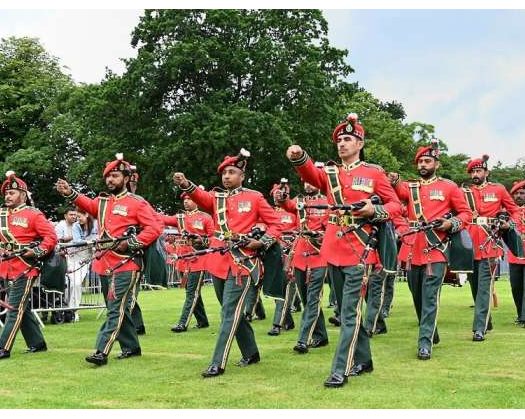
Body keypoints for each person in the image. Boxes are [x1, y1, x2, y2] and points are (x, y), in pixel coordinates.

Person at [286, 113, 402, 388]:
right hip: (332, 247)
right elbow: (310, 174)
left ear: (360, 143)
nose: (342, 143)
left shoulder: (373, 172)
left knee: (349, 313)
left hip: (360, 248)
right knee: (346, 309)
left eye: (348, 139)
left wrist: (376, 209)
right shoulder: (331, 173)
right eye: (339, 140)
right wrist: (299, 157)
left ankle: (342, 368)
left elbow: (396, 205)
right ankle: (365, 360)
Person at [173, 149, 283, 378]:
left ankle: (217, 362)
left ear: (242, 175)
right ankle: (251, 353)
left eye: (232, 172)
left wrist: (261, 242)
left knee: (228, 313)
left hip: (242, 263)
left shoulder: (255, 197)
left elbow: (275, 225)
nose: (226, 177)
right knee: (231, 312)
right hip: (218, 263)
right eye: (224, 173)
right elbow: (201, 197)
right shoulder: (217, 198)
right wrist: (186, 184)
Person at [55, 153, 162, 366]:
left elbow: (155, 227)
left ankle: (101, 350)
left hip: (127, 262)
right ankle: (131, 347)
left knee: (115, 308)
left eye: (114, 176)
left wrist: (131, 243)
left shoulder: (137, 202)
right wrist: (71, 194)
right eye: (108, 177)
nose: (110, 180)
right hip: (104, 263)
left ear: (125, 178)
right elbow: (88, 204)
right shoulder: (103, 202)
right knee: (117, 307)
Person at [388, 140, 472, 360]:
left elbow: (465, 215)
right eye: (420, 162)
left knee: (430, 296)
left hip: (437, 248)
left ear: (437, 163)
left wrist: (449, 224)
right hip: (413, 249)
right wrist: (394, 179)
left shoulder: (449, 187)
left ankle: (424, 342)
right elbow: (397, 191)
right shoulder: (412, 187)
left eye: (427, 161)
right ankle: (431, 332)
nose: (423, 165)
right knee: (417, 296)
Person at [461, 155, 520, 341]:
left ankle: (479, 328)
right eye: (472, 171)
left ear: (486, 172)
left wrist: (509, 225)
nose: (475, 174)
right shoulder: (464, 192)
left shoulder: (498, 189)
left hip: (490, 244)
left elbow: (515, 211)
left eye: (479, 171)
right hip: (469, 245)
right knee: (474, 286)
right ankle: (487, 320)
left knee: (485, 287)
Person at [0, 171, 57, 359]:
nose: (8, 196)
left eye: (12, 193)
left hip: (25, 267)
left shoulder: (33, 214)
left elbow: (50, 237)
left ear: (23, 195)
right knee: (20, 307)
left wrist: (36, 251)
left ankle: (3, 347)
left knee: (14, 307)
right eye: (6, 193)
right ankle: (37, 343)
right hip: (6, 268)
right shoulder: (1, 215)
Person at [276, 177, 330, 352]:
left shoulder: (328, 201)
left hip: (319, 254)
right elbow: (287, 205)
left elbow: (332, 227)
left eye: (311, 181)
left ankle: (303, 340)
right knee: (307, 300)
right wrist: (282, 196)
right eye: (306, 182)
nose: (308, 184)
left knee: (314, 298)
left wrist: (319, 235)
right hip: (300, 256)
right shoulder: (299, 202)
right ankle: (321, 336)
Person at [159, 192, 214, 332]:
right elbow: (163, 218)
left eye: (189, 199)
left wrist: (202, 241)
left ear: (197, 201)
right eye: (184, 199)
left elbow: (213, 238)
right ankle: (203, 321)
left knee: (191, 293)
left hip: (199, 260)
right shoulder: (180, 218)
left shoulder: (205, 217)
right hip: (183, 261)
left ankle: (183, 323)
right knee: (193, 292)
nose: (186, 202)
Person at [267, 182, 298, 336]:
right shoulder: (270, 213)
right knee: (276, 287)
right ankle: (288, 320)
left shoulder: (294, 212)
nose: (276, 197)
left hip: (290, 252)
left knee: (285, 286)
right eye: (274, 195)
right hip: (274, 253)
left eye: (278, 194)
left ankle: (277, 324)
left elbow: (301, 231)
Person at [67, 209, 98, 321]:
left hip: (87, 256)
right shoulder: (76, 226)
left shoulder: (95, 224)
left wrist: (92, 242)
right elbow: (77, 241)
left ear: (86, 214)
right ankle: (70, 309)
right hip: (75, 256)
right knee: (71, 283)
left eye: (79, 216)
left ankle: (73, 311)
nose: (77, 218)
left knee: (76, 283)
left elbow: (99, 238)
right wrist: (90, 242)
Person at [508, 180, 525, 326]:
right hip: (514, 256)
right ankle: (520, 314)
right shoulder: (507, 212)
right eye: (516, 194)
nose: (519, 196)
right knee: (516, 287)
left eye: (522, 193)